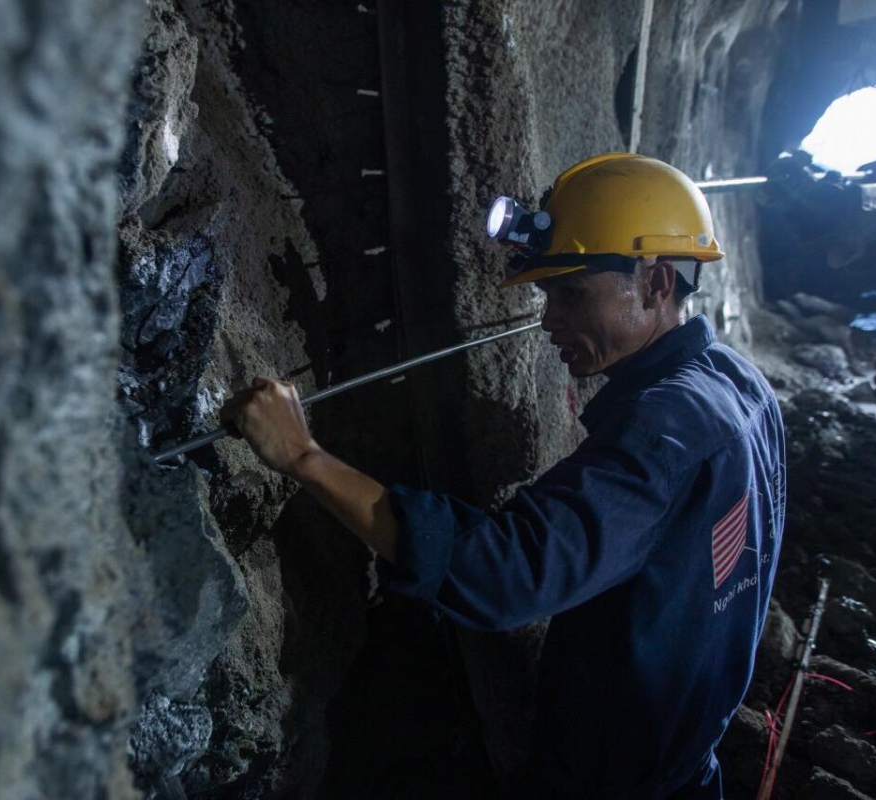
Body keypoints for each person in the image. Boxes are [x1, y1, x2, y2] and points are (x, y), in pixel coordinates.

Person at [220, 153, 786, 799]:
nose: (549, 319)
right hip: (684, 761)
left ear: (657, 283)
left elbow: (504, 576)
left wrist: (301, 457)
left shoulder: (665, 428)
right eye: (548, 294)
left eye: (572, 293)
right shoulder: (738, 382)